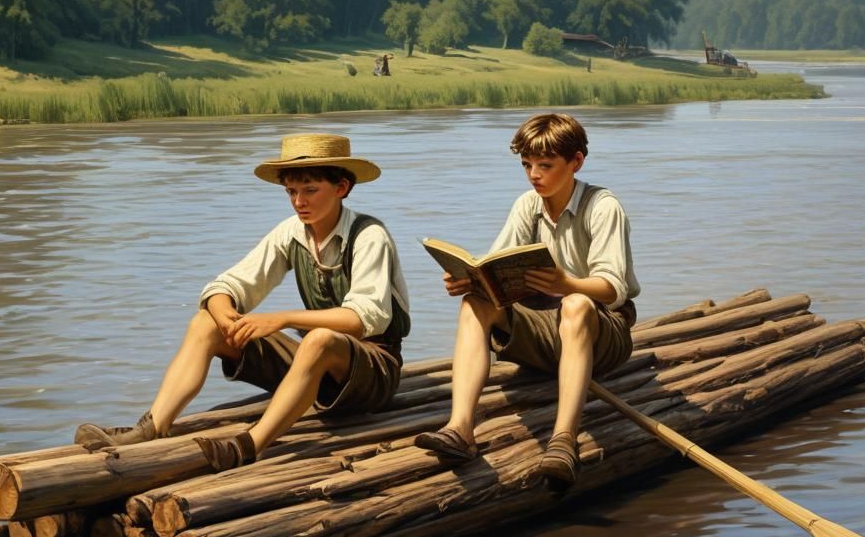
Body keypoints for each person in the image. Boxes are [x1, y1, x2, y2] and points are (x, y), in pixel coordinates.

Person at [74, 133, 411, 472]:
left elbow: (366, 319)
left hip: (373, 373)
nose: (299, 202)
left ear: (341, 188)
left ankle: (248, 446)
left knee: (320, 339)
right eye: (291, 192)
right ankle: (151, 429)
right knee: (205, 321)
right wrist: (224, 315)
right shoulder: (291, 233)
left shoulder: (369, 236)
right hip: (316, 366)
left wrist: (279, 319)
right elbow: (230, 284)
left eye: (310, 190)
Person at [415, 113, 639, 491]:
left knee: (578, 304)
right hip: (545, 328)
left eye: (545, 166)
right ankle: (460, 429)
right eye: (526, 165)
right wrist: (471, 280)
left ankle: (564, 441)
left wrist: (568, 283)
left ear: (577, 162)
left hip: (603, 334)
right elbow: (496, 267)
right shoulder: (527, 205)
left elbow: (614, 288)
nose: (534, 175)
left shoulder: (603, 207)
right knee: (475, 302)